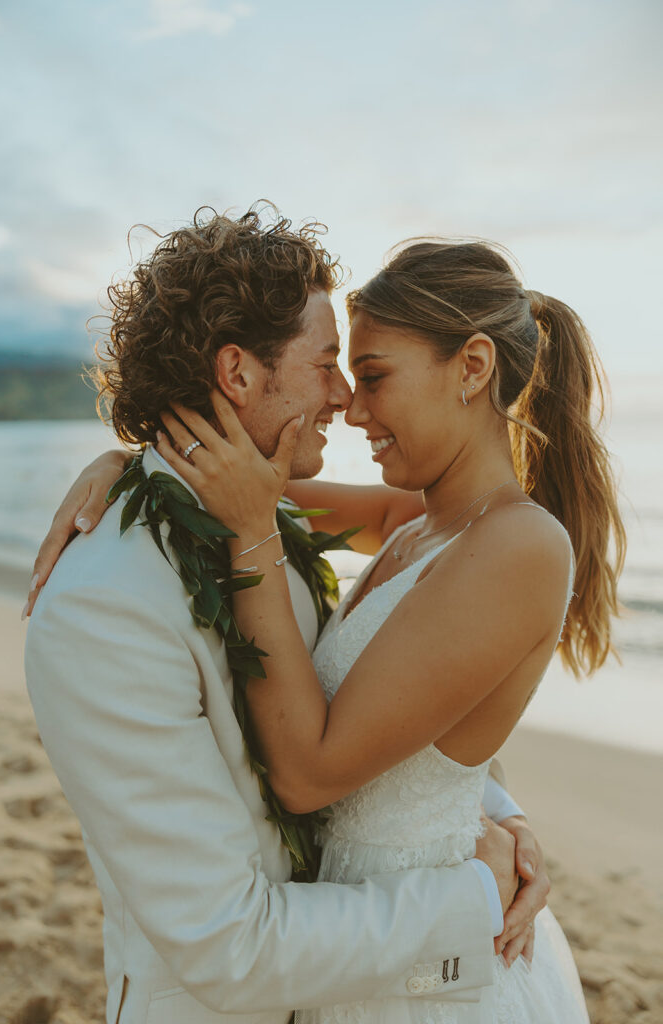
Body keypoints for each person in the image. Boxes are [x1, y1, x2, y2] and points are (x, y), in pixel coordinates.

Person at [25, 207, 545, 1024]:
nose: (344, 400)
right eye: (332, 364)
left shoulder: (267, 522)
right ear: (237, 375)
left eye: (364, 372)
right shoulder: (103, 609)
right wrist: (476, 895)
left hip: (371, 975)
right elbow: (229, 944)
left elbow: (404, 686)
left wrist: (490, 808)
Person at [118, 237, 626, 1022]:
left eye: (376, 377)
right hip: (364, 929)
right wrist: (119, 471)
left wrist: (256, 535)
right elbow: (230, 480)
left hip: (422, 943)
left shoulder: (519, 545)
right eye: (346, 377)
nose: (352, 408)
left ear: (473, 367)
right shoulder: (414, 521)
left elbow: (309, 774)